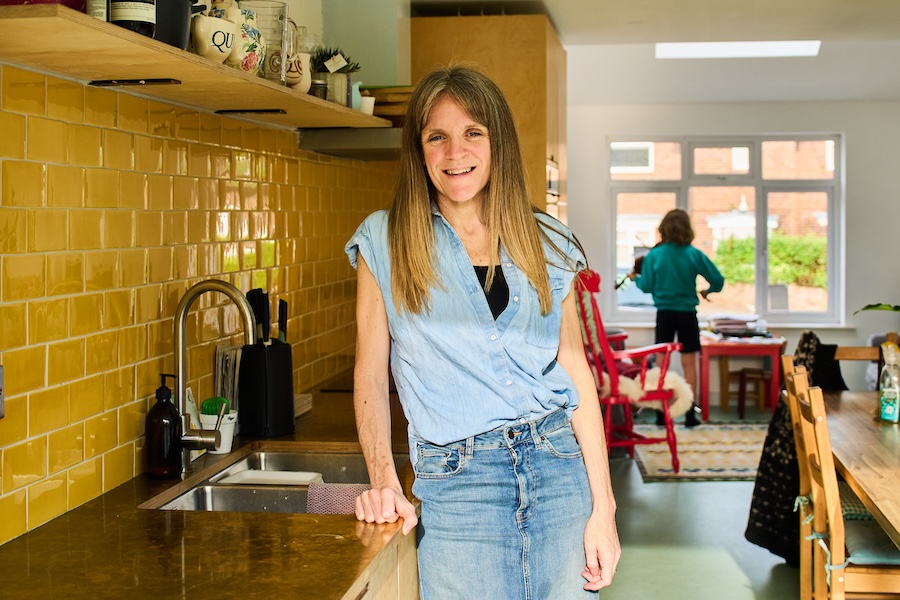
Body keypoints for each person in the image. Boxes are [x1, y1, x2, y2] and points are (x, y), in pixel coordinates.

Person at [345, 64, 621, 599]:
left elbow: (575, 373)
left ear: (498, 144)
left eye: (473, 133)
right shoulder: (383, 241)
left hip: (560, 474)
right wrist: (382, 479)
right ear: (418, 150)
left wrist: (603, 510)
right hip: (459, 488)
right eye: (437, 137)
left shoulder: (548, 240)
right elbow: (370, 376)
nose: (455, 152)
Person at [628, 208, 725, 427]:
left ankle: (662, 412)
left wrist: (635, 279)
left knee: (662, 362)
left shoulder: (654, 255)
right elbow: (718, 280)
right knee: (689, 362)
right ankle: (690, 414)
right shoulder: (693, 254)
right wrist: (706, 292)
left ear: (664, 229)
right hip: (687, 313)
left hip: (665, 314)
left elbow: (647, 286)